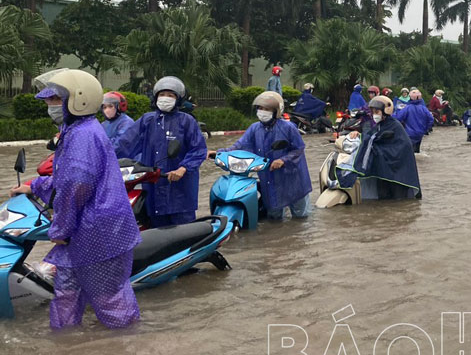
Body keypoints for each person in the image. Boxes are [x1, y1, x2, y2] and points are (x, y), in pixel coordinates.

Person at [11, 69, 140, 330]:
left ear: (78, 100)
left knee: (110, 303)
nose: (50, 106)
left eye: (55, 100)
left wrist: (60, 229)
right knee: (66, 297)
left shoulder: (84, 135)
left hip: (98, 233)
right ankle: (65, 351)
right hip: (84, 234)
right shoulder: (74, 130)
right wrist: (34, 185)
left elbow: (76, 188)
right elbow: (64, 179)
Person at [115, 76, 207, 226]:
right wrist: (105, 159)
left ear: (178, 99)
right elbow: (125, 144)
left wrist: (183, 169)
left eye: (170, 95)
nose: (165, 98)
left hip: (180, 191)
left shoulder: (187, 121)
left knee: (184, 236)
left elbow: (198, 149)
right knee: (157, 236)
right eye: (162, 94)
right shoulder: (147, 120)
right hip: (154, 189)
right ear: (156, 96)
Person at [213, 91, 312, 219]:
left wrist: (283, 160)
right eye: (260, 108)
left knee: (300, 217)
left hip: (292, 176)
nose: (262, 111)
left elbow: (299, 149)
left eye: (267, 109)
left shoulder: (288, 127)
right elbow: (240, 145)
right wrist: (220, 152)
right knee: (273, 215)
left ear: (276, 111)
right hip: (269, 176)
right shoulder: (254, 128)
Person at [347, 96, 421, 199]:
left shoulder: (395, 126)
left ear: (385, 111)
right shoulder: (379, 126)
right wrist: (357, 134)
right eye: (372, 112)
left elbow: (400, 148)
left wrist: (377, 149)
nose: (374, 115)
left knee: (398, 201)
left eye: (377, 112)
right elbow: (370, 137)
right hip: (383, 171)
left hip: (397, 173)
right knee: (383, 200)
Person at [394, 88, 433, 153]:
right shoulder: (424, 108)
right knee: (417, 151)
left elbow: (398, 117)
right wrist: (426, 129)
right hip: (420, 134)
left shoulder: (407, 108)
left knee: (409, 153)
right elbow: (431, 119)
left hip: (409, 134)